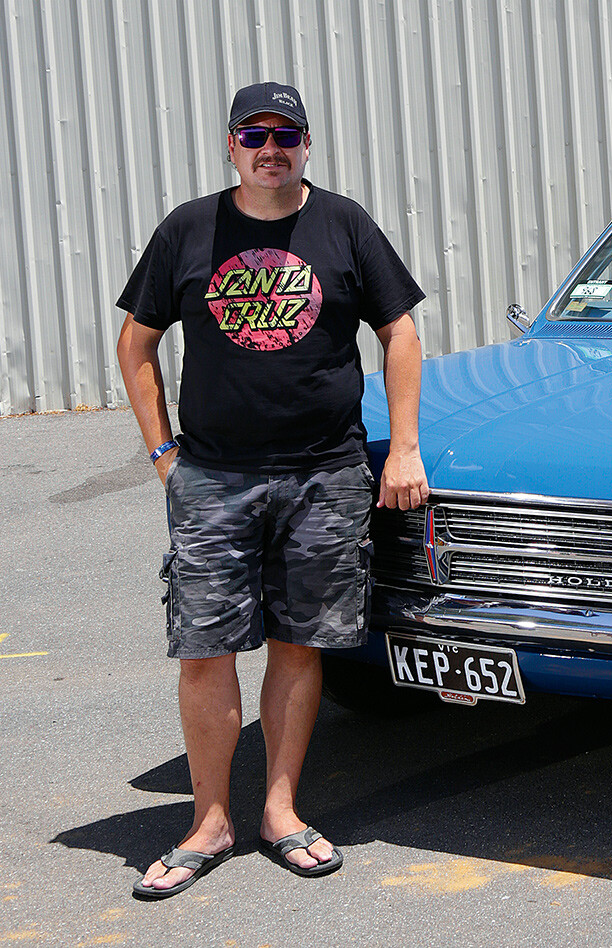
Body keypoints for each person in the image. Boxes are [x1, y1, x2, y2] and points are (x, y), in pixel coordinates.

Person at [116, 81, 429, 899]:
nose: (270, 147)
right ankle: (209, 820)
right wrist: (163, 455)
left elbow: (399, 330)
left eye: (284, 134)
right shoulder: (189, 229)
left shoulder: (345, 223)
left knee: (300, 640)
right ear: (231, 146)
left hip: (325, 472)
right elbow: (136, 343)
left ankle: (279, 812)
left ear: (306, 142)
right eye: (253, 134)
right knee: (204, 648)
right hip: (213, 475)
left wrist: (404, 449)